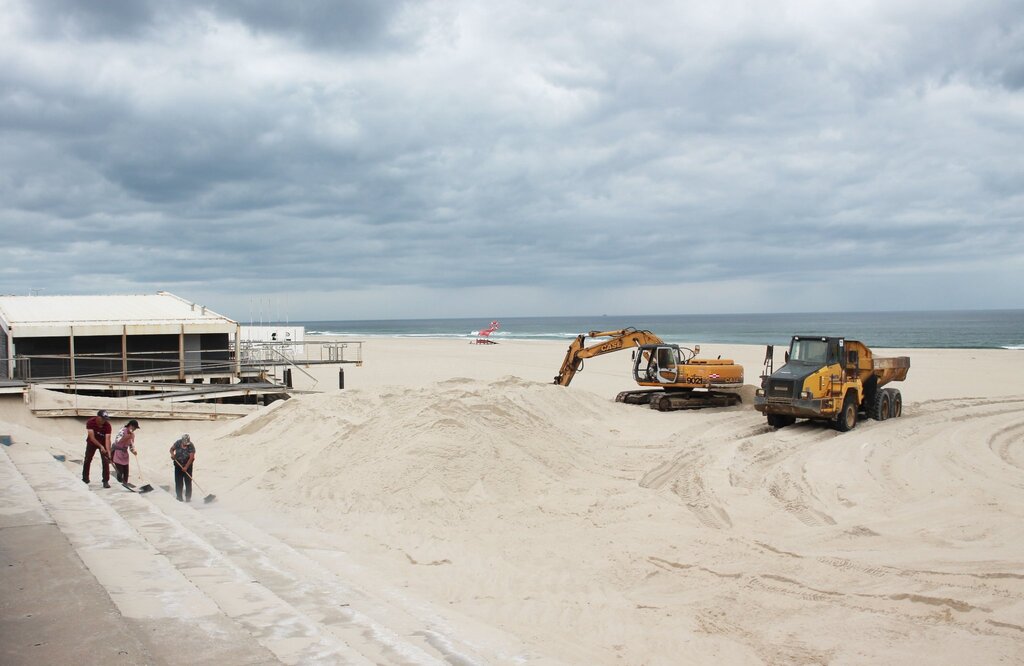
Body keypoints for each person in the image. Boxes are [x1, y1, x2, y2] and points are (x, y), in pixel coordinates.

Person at [82, 409, 113, 488]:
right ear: (98, 417)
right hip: (92, 443)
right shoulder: (90, 422)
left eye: (105, 419)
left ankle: (105, 481)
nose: (104, 421)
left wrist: (109, 453)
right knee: (87, 459)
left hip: (103, 443)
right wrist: (101, 446)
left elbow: (107, 439)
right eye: (103, 419)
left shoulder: (108, 425)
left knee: (106, 461)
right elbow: (92, 437)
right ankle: (85, 478)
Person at [111, 419, 141, 485]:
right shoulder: (122, 431)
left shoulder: (132, 435)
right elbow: (117, 441)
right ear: (130, 426)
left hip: (124, 453)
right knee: (120, 471)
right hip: (117, 451)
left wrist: (133, 451)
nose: (134, 429)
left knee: (126, 472)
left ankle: (125, 484)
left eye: (135, 428)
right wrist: (127, 436)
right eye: (134, 427)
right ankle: (120, 484)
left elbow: (131, 445)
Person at [170, 434, 196, 502]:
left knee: (188, 481)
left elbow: (191, 458)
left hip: (188, 466)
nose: (186, 445)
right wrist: (173, 455)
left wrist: (186, 467)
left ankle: (188, 498)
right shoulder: (178, 443)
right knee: (178, 482)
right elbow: (171, 449)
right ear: (182, 441)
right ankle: (179, 497)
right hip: (178, 465)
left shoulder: (191, 446)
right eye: (185, 443)